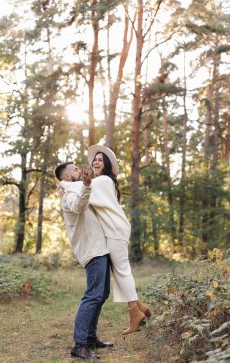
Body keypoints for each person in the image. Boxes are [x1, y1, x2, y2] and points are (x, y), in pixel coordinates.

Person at [59, 146, 151, 335]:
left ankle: (134, 313)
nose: (95, 162)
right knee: (119, 271)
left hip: (115, 231)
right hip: (114, 231)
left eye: (100, 159)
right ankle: (139, 307)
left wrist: (63, 184)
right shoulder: (101, 182)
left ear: (107, 165)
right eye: (95, 159)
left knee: (122, 271)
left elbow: (78, 187)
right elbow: (82, 193)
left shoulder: (102, 181)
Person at [54, 163, 113, 360]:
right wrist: (87, 185)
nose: (80, 170)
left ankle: (90, 337)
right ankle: (79, 345)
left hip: (100, 248)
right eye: (75, 169)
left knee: (102, 293)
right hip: (92, 250)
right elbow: (78, 206)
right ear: (68, 176)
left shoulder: (76, 188)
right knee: (93, 295)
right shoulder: (69, 193)